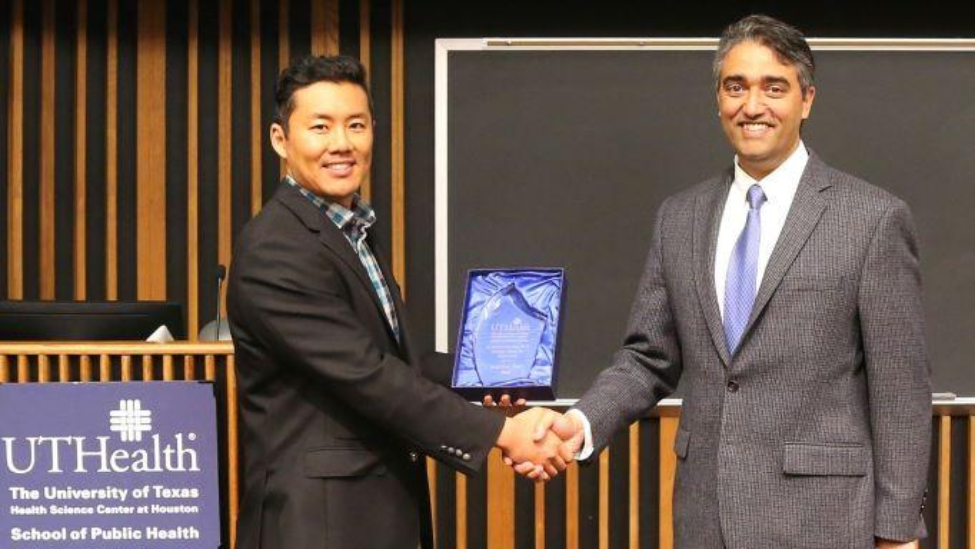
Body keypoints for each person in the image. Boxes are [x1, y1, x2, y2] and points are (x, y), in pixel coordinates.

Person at [525, 15, 930, 549]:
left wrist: (897, 532)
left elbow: (900, 388)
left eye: (774, 87)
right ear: (717, 98)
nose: (752, 105)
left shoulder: (872, 219)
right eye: (735, 86)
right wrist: (579, 424)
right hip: (705, 518)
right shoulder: (680, 217)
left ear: (806, 100)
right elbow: (647, 357)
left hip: (825, 523)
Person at [227, 55, 570, 549]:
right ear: (280, 139)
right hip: (319, 526)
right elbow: (367, 375)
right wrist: (501, 434)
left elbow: (396, 363)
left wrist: (484, 377)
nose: (341, 144)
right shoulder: (277, 248)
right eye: (320, 127)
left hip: (370, 515)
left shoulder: (350, 231)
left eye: (356, 125)